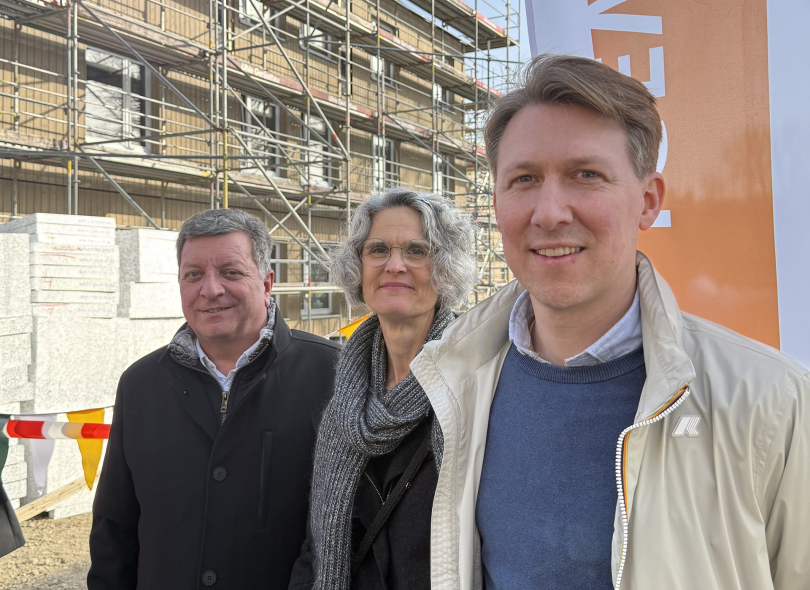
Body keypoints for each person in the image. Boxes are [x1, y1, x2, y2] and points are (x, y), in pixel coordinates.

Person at [410, 54, 810, 590]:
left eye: (586, 175)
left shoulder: (771, 398)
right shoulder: (458, 379)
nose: (549, 212)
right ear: (498, 202)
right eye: (524, 179)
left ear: (648, 201)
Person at [88, 209, 340, 590]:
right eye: (193, 275)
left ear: (267, 282)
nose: (210, 289)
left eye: (231, 272)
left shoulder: (331, 374)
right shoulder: (141, 384)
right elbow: (115, 526)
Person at [289, 188, 478, 590]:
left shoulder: (478, 382)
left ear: (446, 267)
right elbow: (316, 549)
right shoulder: (345, 400)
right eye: (378, 250)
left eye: (416, 251)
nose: (394, 265)